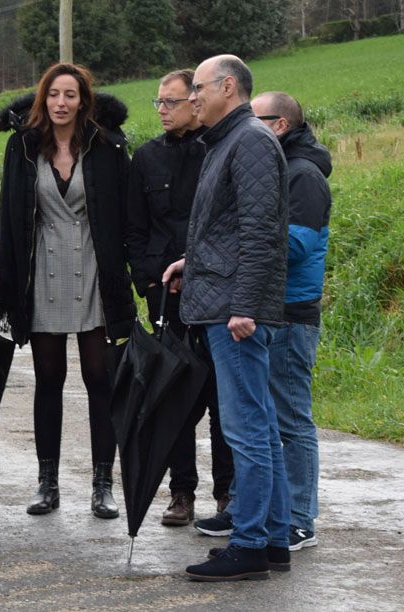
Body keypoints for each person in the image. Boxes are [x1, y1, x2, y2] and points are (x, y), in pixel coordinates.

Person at [162, 54, 291, 582]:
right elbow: (232, 228)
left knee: (247, 430)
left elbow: (263, 233)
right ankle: (275, 538)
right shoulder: (229, 140)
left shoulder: (251, 142)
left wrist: (243, 305)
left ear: (228, 87)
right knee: (257, 425)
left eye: (198, 87)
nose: (192, 97)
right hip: (222, 297)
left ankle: (251, 544)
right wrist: (193, 263)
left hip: (234, 311)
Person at [0, 62, 136, 519]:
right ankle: (47, 484)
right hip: (44, 274)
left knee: (101, 378)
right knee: (48, 381)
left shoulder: (107, 147)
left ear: (83, 100)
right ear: (43, 98)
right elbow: (9, 220)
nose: (61, 103)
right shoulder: (21, 148)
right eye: (53, 94)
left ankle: (102, 485)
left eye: (70, 95)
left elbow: (125, 214)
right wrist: (5, 288)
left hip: (95, 271)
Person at [128, 69, 235, 528]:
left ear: (196, 102)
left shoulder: (217, 151)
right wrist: (150, 282)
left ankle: (228, 494)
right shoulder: (145, 157)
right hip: (165, 299)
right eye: (159, 103)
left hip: (215, 294)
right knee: (172, 397)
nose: (164, 110)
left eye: (172, 102)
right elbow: (133, 230)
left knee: (219, 397)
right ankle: (181, 493)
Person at [251, 90, 331, 552]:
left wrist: (242, 244)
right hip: (267, 310)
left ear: (279, 125)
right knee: (260, 419)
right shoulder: (281, 168)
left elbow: (297, 246)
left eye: (255, 120)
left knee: (292, 421)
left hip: (291, 316)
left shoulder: (302, 176)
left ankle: (300, 519)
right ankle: (259, 511)